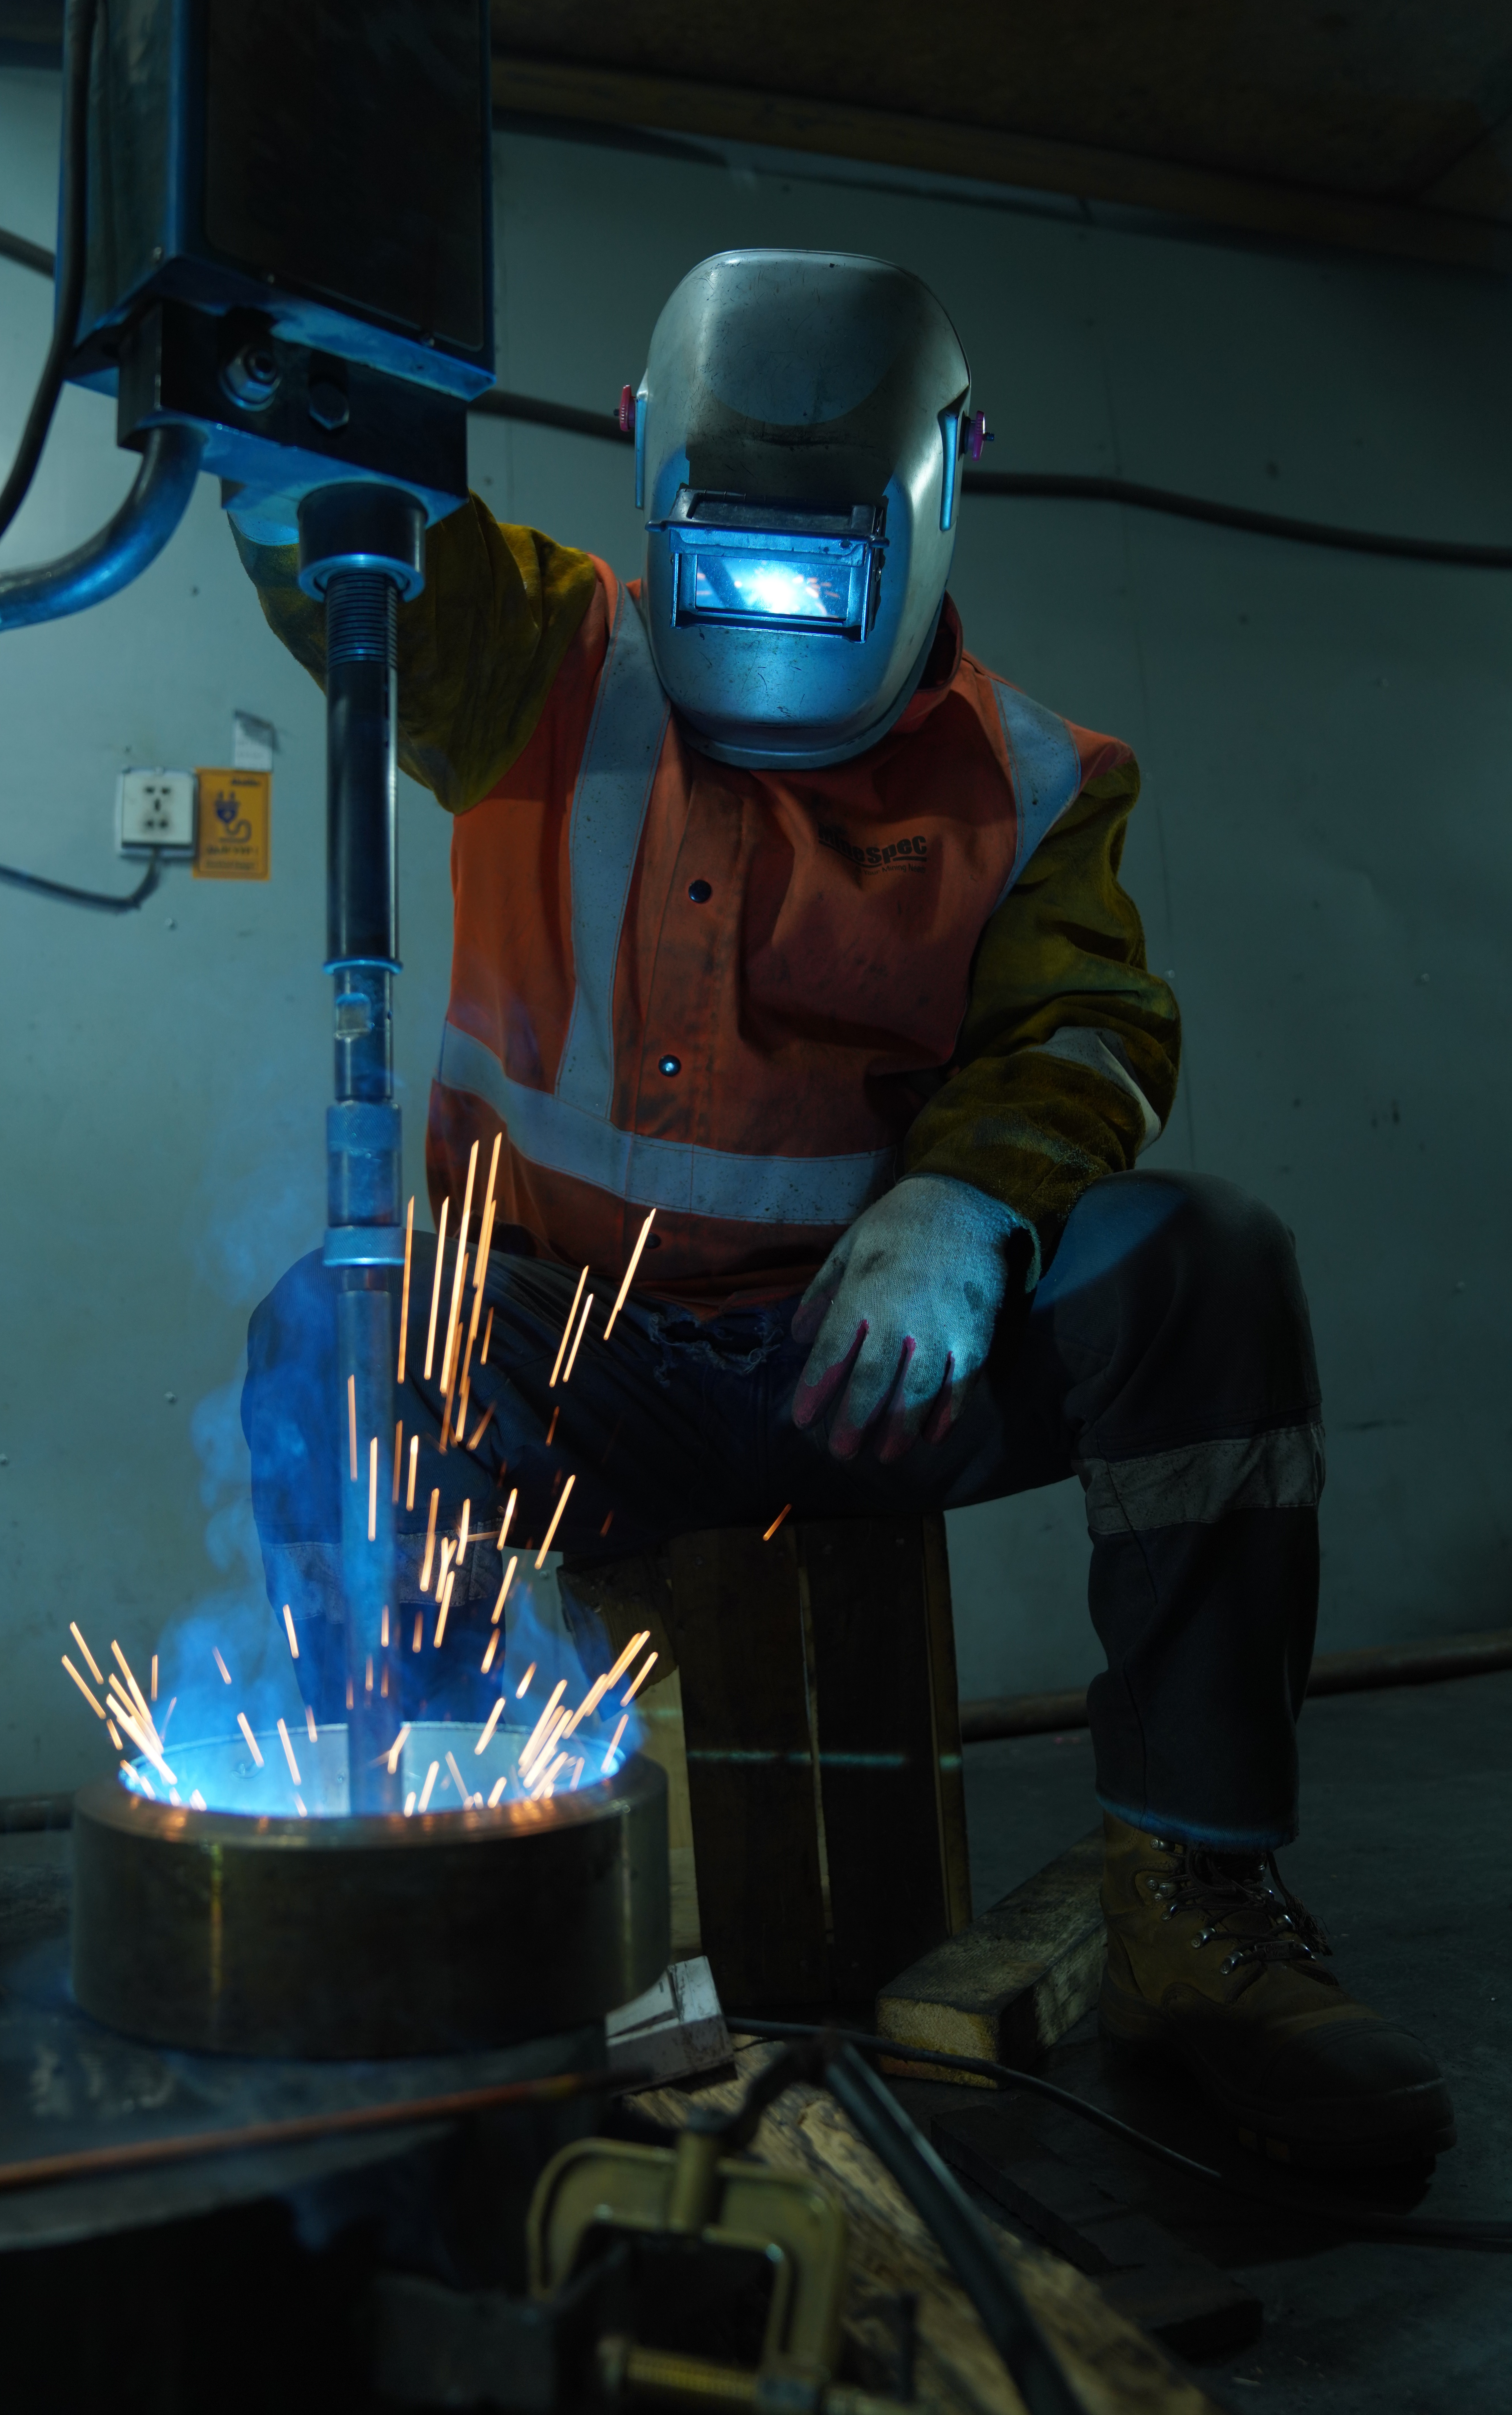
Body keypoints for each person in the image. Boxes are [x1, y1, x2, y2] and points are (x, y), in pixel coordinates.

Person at [235, 248, 1451, 2170]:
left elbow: (1091, 1027)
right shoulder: (529, 655)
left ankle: (1198, 1903)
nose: (774, 614)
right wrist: (274, 417)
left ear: (946, 475)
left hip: (853, 1375)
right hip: (569, 1365)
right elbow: (342, 554)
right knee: (334, 1327)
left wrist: (971, 1201)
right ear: (648, 459)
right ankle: (445, 1890)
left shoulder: (1042, 782)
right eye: (732, 558)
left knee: (1209, 1268)